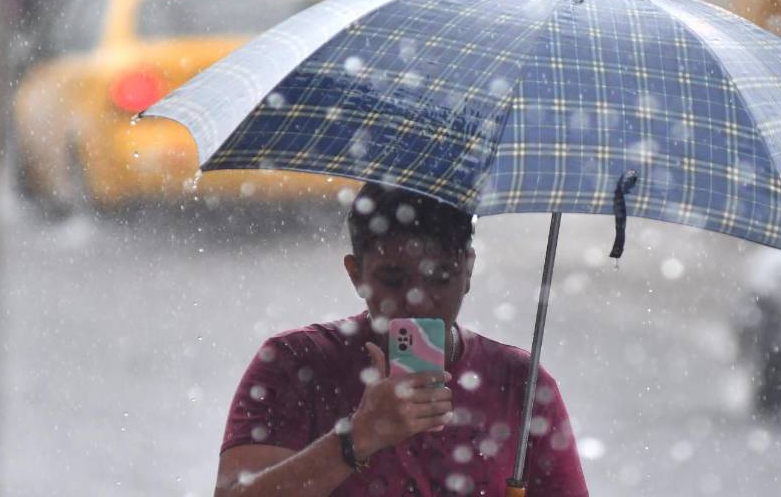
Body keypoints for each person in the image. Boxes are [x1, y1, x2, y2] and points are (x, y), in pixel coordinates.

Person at [214, 182, 588, 496]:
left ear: (468, 269)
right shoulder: (295, 362)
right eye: (393, 279)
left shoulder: (521, 383)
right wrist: (357, 437)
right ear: (356, 274)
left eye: (441, 277)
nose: (418, 300)